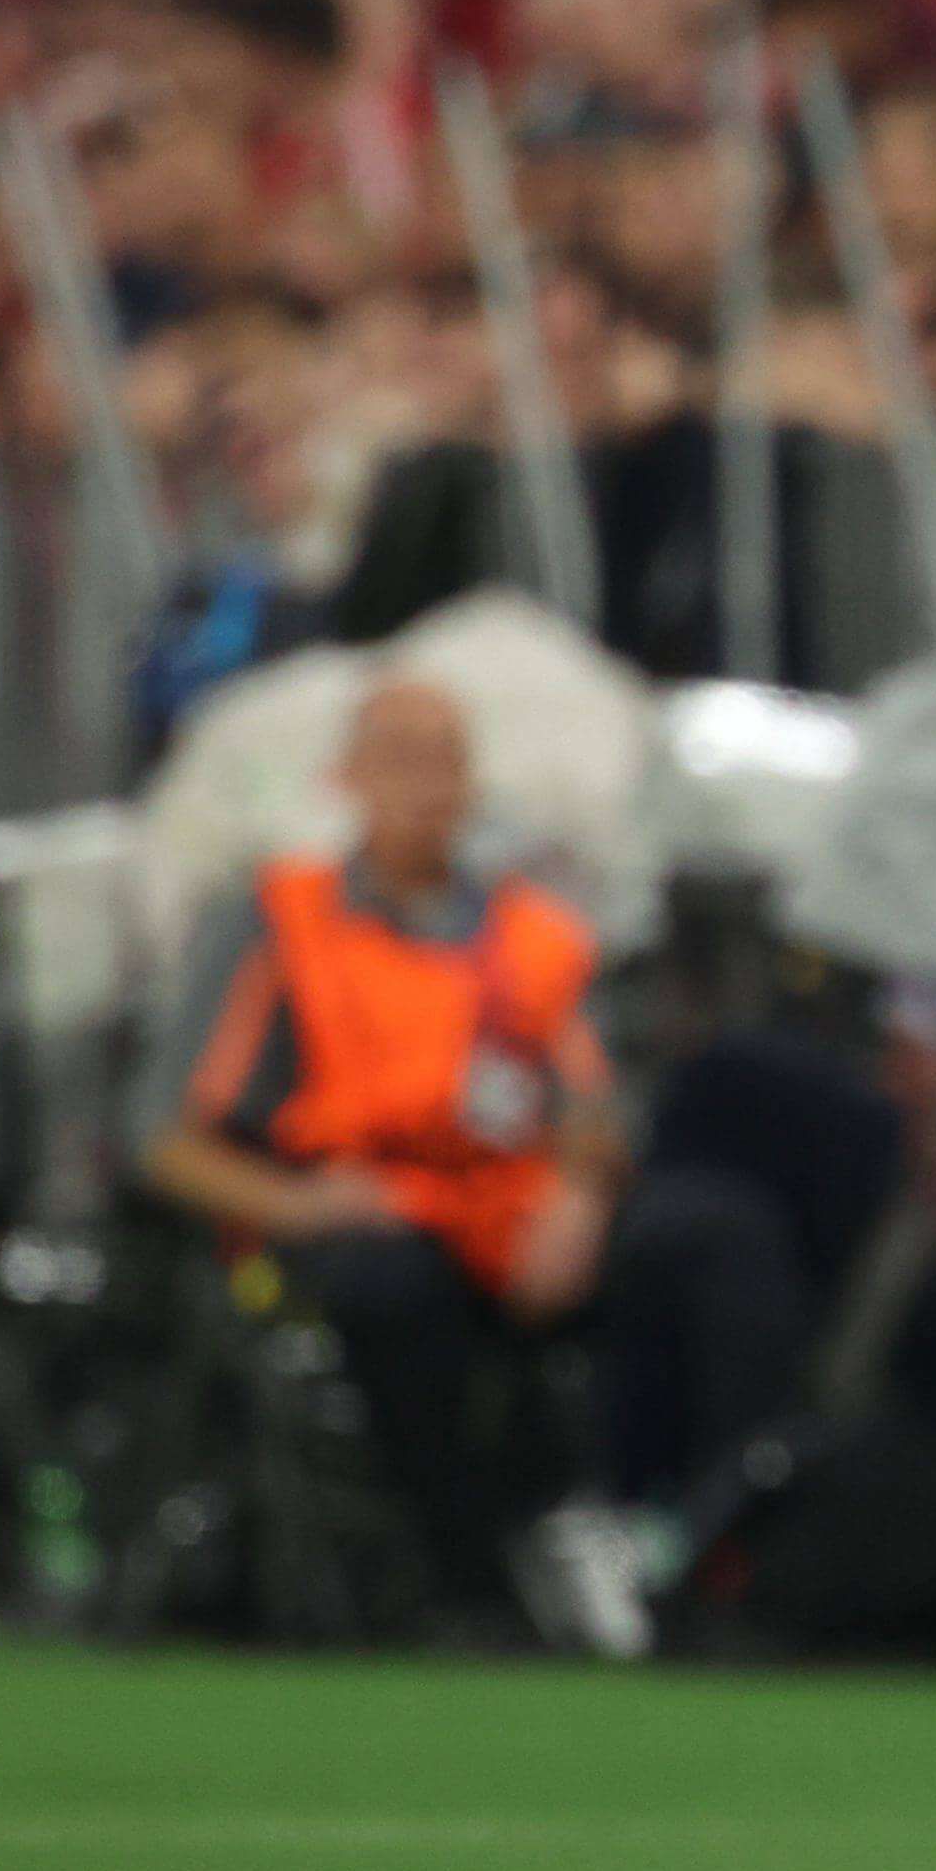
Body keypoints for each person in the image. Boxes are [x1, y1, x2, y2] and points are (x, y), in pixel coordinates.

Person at [135, 678, 620, 1624]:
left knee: (694, 1243)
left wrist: (580, 1199)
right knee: (395, 1288)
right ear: (346, 777)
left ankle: (679, 1552)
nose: (424, 784)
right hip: (347, 1219)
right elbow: (164, 1137)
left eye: (444, 759)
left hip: (506, 1220)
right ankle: (464, 1576)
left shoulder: (535, 937)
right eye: (399, 758)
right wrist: (299, 1206)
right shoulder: (280, 921)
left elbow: (593, 1106)